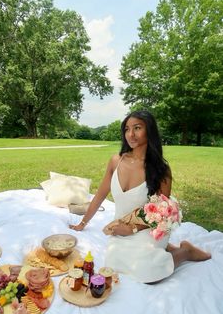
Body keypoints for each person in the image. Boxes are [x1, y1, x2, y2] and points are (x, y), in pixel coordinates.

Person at [69, 110, 211, 283]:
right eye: (127, 129)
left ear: (149, 131)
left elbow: (162, 211)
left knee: (148, 272)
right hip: (120, 227)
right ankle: (167, 248)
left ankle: (185, 251)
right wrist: (82, 223)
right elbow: (100, 195)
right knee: (113, 264)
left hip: (147, 228)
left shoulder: (161, 169)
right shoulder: (116, 161)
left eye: (137, 128)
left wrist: (132, 229)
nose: (131, 134)